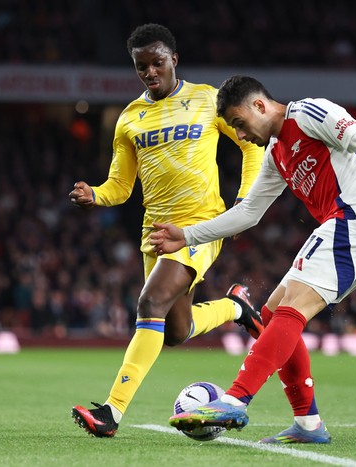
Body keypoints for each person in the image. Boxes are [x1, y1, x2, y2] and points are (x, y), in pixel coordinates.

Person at [150, 75, 356, 443]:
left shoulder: (309, 114)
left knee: (294, 306)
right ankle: (308, 424)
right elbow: (249, 214)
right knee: (273, 314)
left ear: (259, 105)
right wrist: (187, 235)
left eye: (240, 124)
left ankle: (234, 400)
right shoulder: (276, 153)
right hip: (345, 227)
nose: (240, 136)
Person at [69, 25, 265, 438]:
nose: (150, 72)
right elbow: (120, 187)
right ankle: (235, 307)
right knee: (175, 331)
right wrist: (95, 195)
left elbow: (251, 144)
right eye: (141, 67)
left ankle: (111, 412)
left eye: (157, 63)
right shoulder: (128, 119)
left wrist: (244, 203)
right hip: (154, 233)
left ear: (174, 59)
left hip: (200, 226)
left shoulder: (208, 99)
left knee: (150, 302)